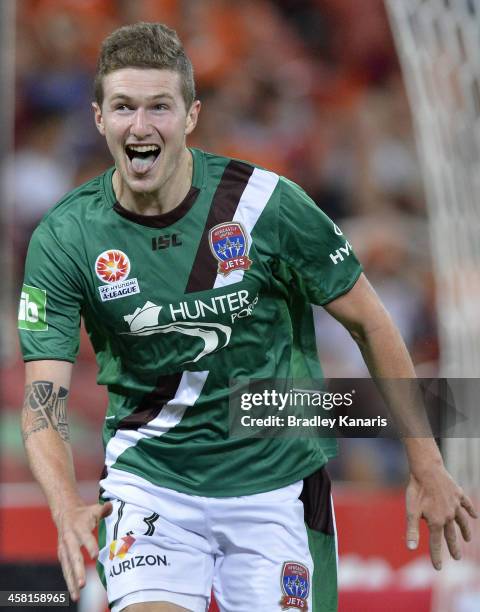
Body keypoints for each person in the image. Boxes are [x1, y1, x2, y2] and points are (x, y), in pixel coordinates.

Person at [18, 22, 476, 612]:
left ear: (190, 116)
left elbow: (371, 321)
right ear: (99, 119)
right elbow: (43, 401)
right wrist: (63, 504)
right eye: (124, 107)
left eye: (159, 106)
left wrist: (426, 461)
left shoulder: (266, 204)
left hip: (275, 481)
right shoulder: (66, 236)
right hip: (151, 480)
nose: (141, 125)